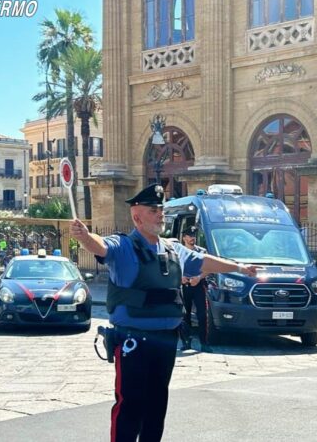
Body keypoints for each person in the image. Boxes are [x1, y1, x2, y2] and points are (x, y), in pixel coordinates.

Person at [70, 183, 258, 442]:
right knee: (130, 405)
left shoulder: (172, 248)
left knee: (157, 406)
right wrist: (84, 237)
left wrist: (238, 267)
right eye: (153, 209)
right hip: (133, 340)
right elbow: (100, 247)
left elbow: (203, 262)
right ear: (137, 217)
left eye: (161, 208)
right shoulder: (124, 246)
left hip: (166, 340)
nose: (160, 213)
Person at [178, 226, 209, 352]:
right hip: (185, 286)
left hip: (199, 285)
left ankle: (204, 343)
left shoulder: (202, 252)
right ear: (184, 237)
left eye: (194, 236)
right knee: (185, 315)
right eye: (190, 236)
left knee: (202, 315)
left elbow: (208, 269)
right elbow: (173, 267)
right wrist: (180, 277)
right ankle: (186, 341)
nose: (193, 238)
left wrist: (199, 277)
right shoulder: (179, 251)